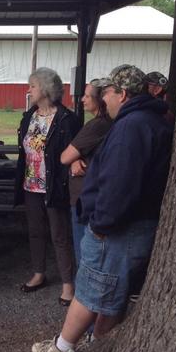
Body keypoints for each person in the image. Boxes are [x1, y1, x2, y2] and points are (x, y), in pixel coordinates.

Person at [32, 65, 173, 352]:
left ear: (122, 94)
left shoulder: (131, 127)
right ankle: (99, 345)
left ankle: (63, 347)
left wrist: (101, 225)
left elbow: (120, 183)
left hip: (117, 229)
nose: (102, 99)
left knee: (91, 289)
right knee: (112, 293)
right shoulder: (149, 120)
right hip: (132, 225)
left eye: (106, 93)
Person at [14, 67, 79, 306]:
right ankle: (38, 273)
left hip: (54, 185)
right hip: (31, 184)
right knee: (35, 231)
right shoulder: (29, 116)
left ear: (45, 88)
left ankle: (68, 284)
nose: (28, 90)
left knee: (59, 234)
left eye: (32, 86)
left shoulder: (66, 119)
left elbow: (75, 151)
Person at [60, 79, 112, 264]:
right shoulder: (109, 123)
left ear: (101, 100)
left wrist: (73, 158)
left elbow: (65, 157)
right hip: (93, 194)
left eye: (87, 96)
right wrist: (77, 158)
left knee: (84, 254)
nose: (82, 99)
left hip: (85, 198)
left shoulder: (97, 125)